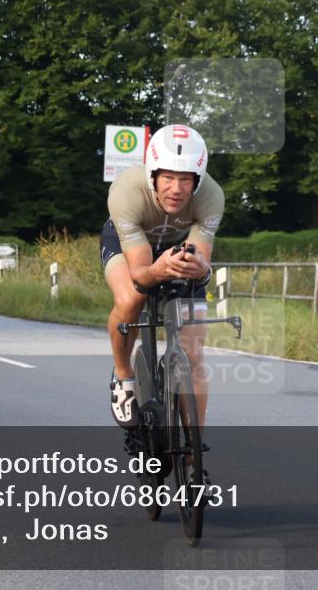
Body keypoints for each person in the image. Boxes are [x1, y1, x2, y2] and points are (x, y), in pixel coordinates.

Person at [101, 124, 224, 430]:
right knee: (131, 296)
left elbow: (202, 264)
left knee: (194, 349)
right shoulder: (125, 192)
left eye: (185, 180)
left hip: (177, 246)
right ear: (153, 174)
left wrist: (201, 270)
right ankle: (122, 374)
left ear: (197, 179)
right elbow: (142, 273)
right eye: (168, 177)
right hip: (127, 242)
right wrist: (156, 272)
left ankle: (195, 448)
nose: (176, 188)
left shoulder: (212, 195)